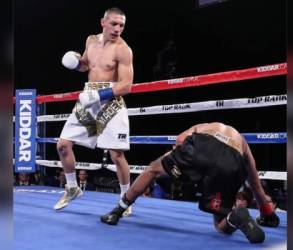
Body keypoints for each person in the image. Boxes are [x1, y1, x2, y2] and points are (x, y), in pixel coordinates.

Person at [101, 122, 280, 244]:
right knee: (220, 225)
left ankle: (117, 212)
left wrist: (178, 168)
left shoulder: (204, 127)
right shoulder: (242, 143)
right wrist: (268, 214)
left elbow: (180, 140)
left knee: (153, 169)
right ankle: (236, 217)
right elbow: (255, 184)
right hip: (231, 164)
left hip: (202, 148)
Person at [54, 7, 133, 216]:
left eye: (121, 25)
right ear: (103, 22)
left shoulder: (123, 50)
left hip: (111, 103)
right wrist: (75, 63)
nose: (118, 28)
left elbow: (126, 85)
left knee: (117, 155)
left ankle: (126, 199)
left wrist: (98, 96)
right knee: (63, 145)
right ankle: (72, 187)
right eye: (114, 23)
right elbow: (87, 66)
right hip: (89, 99)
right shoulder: (90, 41)